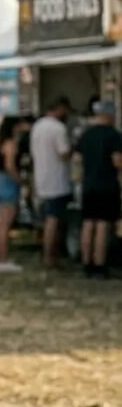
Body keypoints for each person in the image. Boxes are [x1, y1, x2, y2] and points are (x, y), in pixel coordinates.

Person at [75, 101, 122, 279]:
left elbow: (77, 159)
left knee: (88, 224)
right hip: (107, 184)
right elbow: (117, 161)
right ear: (110, 115)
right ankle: (100, 263)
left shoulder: (86, 135)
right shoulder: (114, 136)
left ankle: (86, 263)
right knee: (103, 224)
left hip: (88, 184)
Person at [30, 97, 73, 271]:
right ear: (61, 108)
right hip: (57, 180)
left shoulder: (38, 126)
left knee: (48, 218)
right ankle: (50, 256)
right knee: (54, 220)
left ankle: (48, 254)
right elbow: (63, 153)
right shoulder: (58, 128)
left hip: (41, 178)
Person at [0, 116, 28, 273]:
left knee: (1, 224)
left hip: (0, 182)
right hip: (8, 184)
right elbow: (10, 165)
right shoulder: (11, 144)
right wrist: (21, 181)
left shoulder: (1, 143)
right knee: (5, 224)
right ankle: (3, 259)